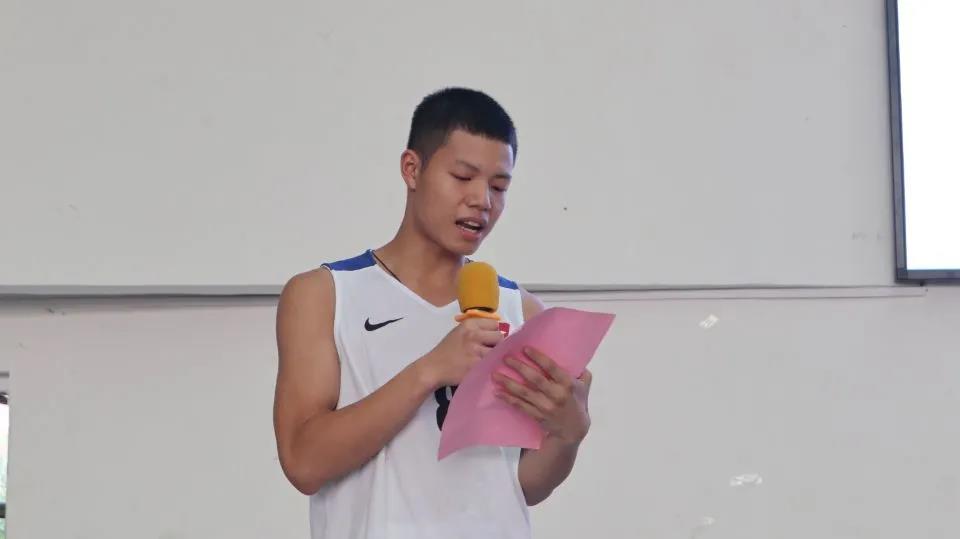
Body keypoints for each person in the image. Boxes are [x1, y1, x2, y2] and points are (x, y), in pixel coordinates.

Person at [272, 87, 593, 538]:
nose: (482, 200)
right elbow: (304, 463)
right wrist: (430, 370)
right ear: (412, 169)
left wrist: (567, 435)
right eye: (463, 177)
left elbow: (518, 485)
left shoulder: (522, 309)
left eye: (499, 187)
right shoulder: (325, 294)